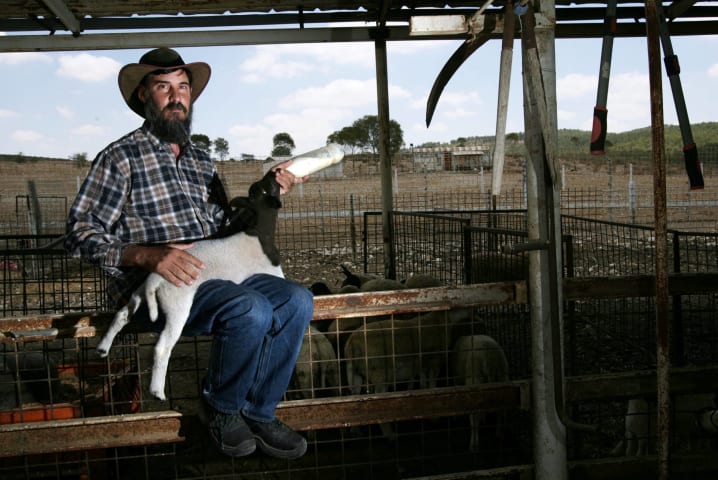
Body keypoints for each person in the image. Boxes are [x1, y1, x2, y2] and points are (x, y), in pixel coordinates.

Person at [65, 47, 314, 460]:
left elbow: (227, 229)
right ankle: (220, 409)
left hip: (211, 276)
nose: (177, 96)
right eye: (163, 87)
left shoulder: (201, 161)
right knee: (249, 307)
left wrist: (266, 193)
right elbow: (79, 233)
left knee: (296, 299)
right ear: (144, 97)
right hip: (154, 288)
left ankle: (259, 411)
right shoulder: (121, 158)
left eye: (183, 87)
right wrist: (148, 255)